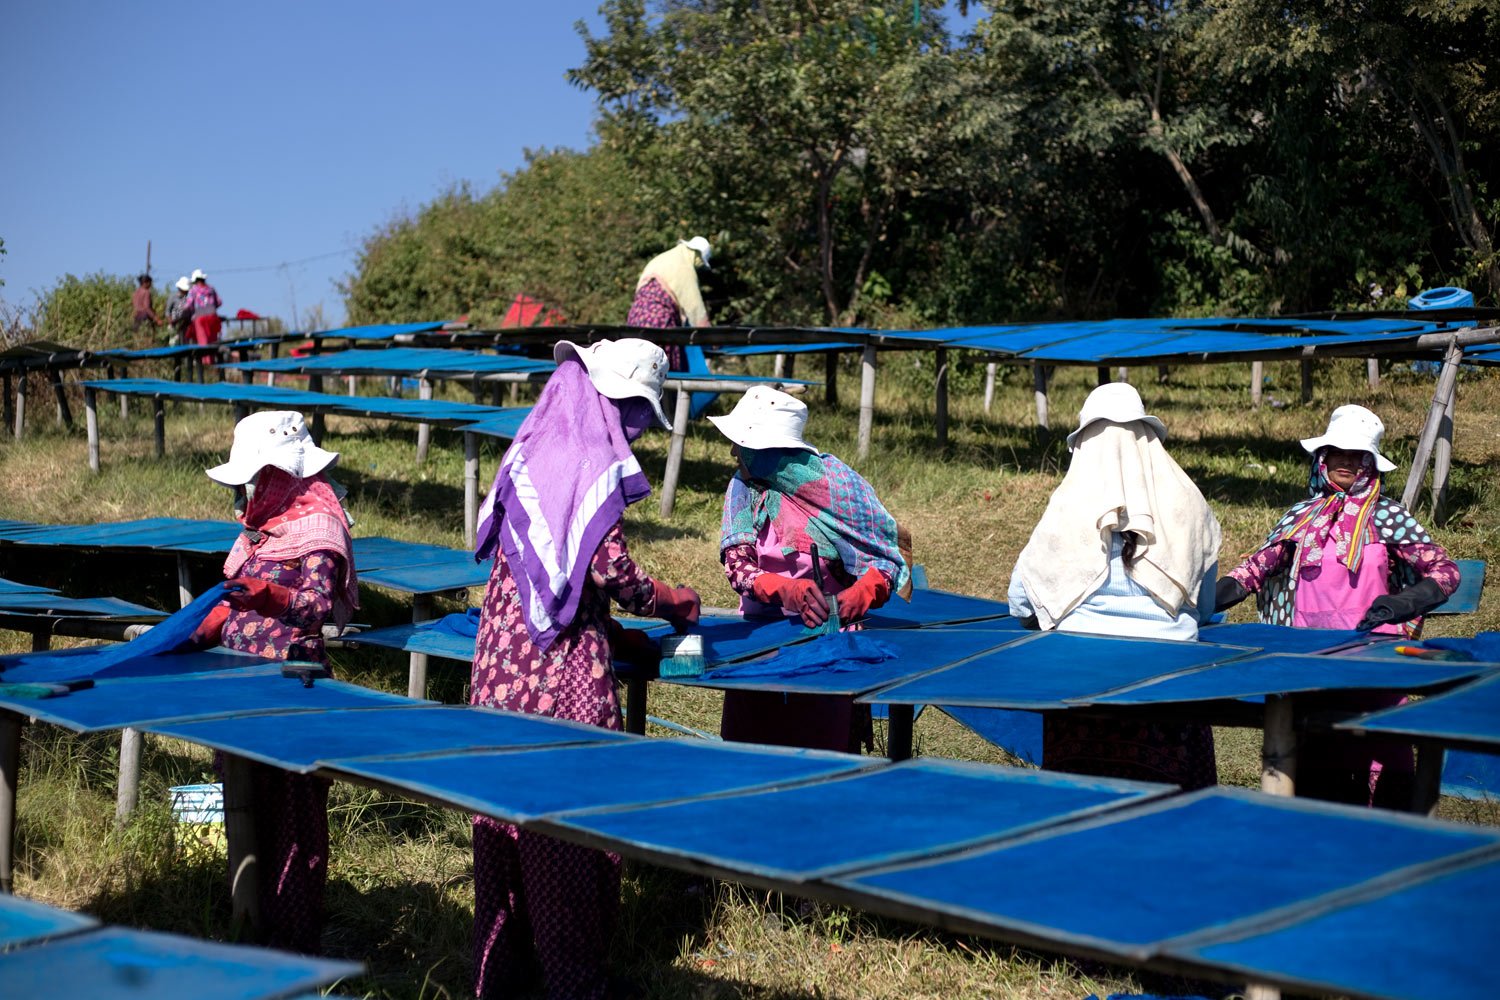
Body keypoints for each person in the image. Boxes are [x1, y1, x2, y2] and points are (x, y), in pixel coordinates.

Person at [469, 337, 701, 1000]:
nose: (637, 428)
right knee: (565, 815)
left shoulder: (534, 442)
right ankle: (574, 981)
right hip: (555, 670)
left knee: (503, 813)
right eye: (636, 413)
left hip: (501, 658)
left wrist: (607, 625)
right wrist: (673, 601)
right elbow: (611, 569)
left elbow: (549, 570)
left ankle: (503, 974)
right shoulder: (588, 454)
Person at [1216, 403, 1461, 807]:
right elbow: (1261, 564)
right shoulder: (1300, 517)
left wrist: (1403, 603)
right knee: (1313, 753)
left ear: (1370, 463)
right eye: (1337, 453)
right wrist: (1223, 592)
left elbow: (1445, 571)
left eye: (1356, 455)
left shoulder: (1387, 516)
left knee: (1379, 747)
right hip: (1308, 655)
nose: (1345, 462)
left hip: (1373, 657)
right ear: (1322, 458)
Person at [194, 410, 358, 952]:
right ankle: (249, 921)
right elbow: (233, 591)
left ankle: (293, 939)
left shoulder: (319, 526)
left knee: (291, 812)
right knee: (245, 801)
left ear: (280, 473)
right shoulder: (262, 526)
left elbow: (316, 607)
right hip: (241, 684)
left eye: (256, 478)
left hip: (291, 688)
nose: (247, 490)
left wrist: (271, 597)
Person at [1007, 382, 1222, 789]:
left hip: (1080, 679)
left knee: (1078, 802)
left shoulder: (1067, 509)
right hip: (1170, 680)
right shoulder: (1188, 504)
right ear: (1148, 439)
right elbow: (1204, 605)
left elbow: (1021, 603)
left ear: (1083, 445)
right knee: (1176, 811)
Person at [710, 386, 911, 753]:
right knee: (752, 754)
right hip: (760, 643)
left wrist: (862, 593)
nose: (733, 452)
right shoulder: (744, 488)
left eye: (741, 444)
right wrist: (787, 590)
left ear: (768, 450)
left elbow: (882, 559)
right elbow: (738, 567)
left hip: (829, 646)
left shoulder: (838, 488)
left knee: (824, 755)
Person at [626, 235, 712, 371]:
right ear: (697, 256)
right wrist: (710, 337)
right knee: (660, 370)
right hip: (659, 324)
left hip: (636, 320)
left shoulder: (660, 259)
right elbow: (695, 308)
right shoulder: (684, 266)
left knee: (637, 368)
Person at [185, 267, 223, 362]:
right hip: (213, 317)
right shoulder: (211, 289)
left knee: (203, 341)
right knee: (212, 341)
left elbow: (189, 305)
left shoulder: (193, 290)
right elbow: (219, 302)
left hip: (200, 317)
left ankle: (205, 363)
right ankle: (212, 362)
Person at [165, 275, 192, 345]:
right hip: (174, 324)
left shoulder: (188, 299)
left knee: (186, 342)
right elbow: (167, 311)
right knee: (174, 342)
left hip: (185, 324)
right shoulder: (173, 297)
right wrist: (171, 321)